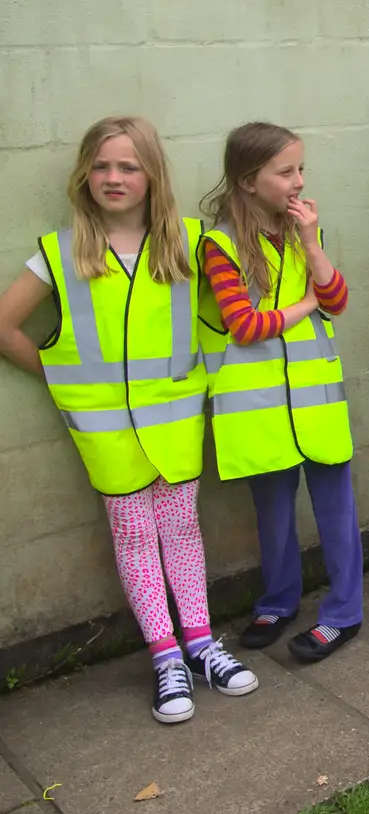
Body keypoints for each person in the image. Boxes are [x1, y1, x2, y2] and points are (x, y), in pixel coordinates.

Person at [0, 117, 257, 723]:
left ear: (152, 176)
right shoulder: (61, 253)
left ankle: (199, 642)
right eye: (102, 165)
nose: (113, 178)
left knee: (184, 533)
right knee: (136, 539)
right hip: (108, 435)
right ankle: (165, 655)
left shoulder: (189, 244)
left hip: (175, 425)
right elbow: (6, 328)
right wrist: (60, 378)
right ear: (84, 174)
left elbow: (236, 308)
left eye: (129, 166)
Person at [199, 122, 363, 663]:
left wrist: (313, 246)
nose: (298, 181)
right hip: (260, 411)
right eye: (286, 171)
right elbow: (243, 325)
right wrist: (307, 306)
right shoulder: (219, 244)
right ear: (249, 180)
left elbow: (336, 299)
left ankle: (344, 612)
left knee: (336, 514)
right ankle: (279, 600)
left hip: (316, 405)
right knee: (272, 516)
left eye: (301, 169)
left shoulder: (303, 229)